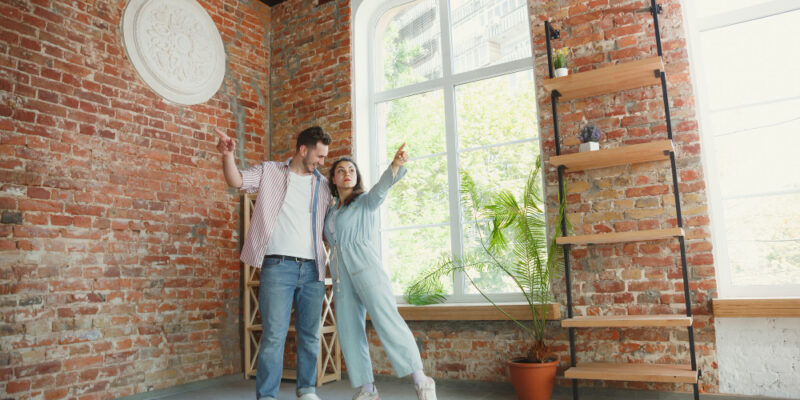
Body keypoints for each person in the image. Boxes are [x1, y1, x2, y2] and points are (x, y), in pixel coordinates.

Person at [216, 126, 331, 400]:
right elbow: (236, 181)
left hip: (314, 269)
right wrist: (228, 155)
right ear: (303, 150)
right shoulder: (270, 172)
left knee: (310, 335)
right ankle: (267, 395)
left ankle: (306, 390)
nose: (322, 162)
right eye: (319, 155)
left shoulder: (323, 185)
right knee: (273, 336)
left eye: (325, 157)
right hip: (278, 266)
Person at [324, 144, 438, 400]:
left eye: (351, 170)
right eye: (340, 170)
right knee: (349, 331)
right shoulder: (331, 212)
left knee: (388, 321)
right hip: (342, 278)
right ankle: (368, 389)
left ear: (356, 176)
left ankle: (422, 380)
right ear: (333, 179)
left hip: (367, 269)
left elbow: (381, 189)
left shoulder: (365, 201)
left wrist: (395, 165)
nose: (346, 173)